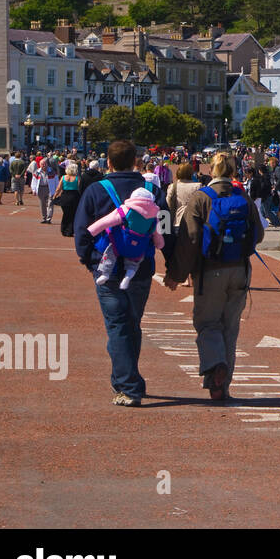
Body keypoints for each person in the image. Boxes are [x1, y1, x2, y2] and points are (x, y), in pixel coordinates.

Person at [74, 140, 170, 407]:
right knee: (131, 323)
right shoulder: (152, 190)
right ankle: (129, 379)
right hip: (140, 268)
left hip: (107, 269)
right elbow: (167, 228)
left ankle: (128, 386)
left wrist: (88, 260)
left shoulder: (96, 190)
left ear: (109, 162)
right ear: (135, 162)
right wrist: (172, 264)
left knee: (118, 325)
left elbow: (82, 229)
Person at [165, 152, 263, 401]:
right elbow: (259, 233)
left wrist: (176, 274)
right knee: (230, 328)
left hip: (209, 271)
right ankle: (223, 385)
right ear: (232, 171)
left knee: (208, 324)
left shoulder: (201, 198)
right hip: (240, 270)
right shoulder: (243, 196)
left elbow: (190, 239)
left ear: (212, 170)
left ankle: (215, 366)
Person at [85, 187, 165, 288]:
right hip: (138, 248)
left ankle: (105, 273)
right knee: (134, 263)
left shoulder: (125, 210)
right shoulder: (154, 217)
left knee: (110, 253)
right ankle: (128, 277)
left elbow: (105, 221)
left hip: (120, 243)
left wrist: (92, 230)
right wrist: (160, 244)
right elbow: (158, 234)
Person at [57, 164, 82, 236]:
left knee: (66, 214)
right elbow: (79, 188)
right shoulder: (77, 178)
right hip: (74, 196)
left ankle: (64, 229)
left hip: (65, 196)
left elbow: (59, 188)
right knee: (73, 214)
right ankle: (70, 230)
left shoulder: (63, 177)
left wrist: (55, 195)